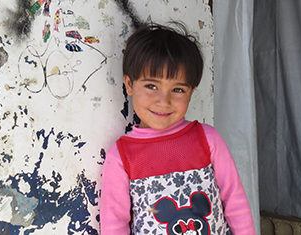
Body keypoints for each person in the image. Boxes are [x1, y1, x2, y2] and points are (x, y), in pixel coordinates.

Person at [100, 22, 255, 235]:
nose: (164, 100)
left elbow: (234, 200)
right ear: (129, 84)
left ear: (191, 92)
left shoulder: (207, 139)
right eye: (151, 86)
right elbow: (114, 224)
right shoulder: (121, 156)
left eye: (178, 89)